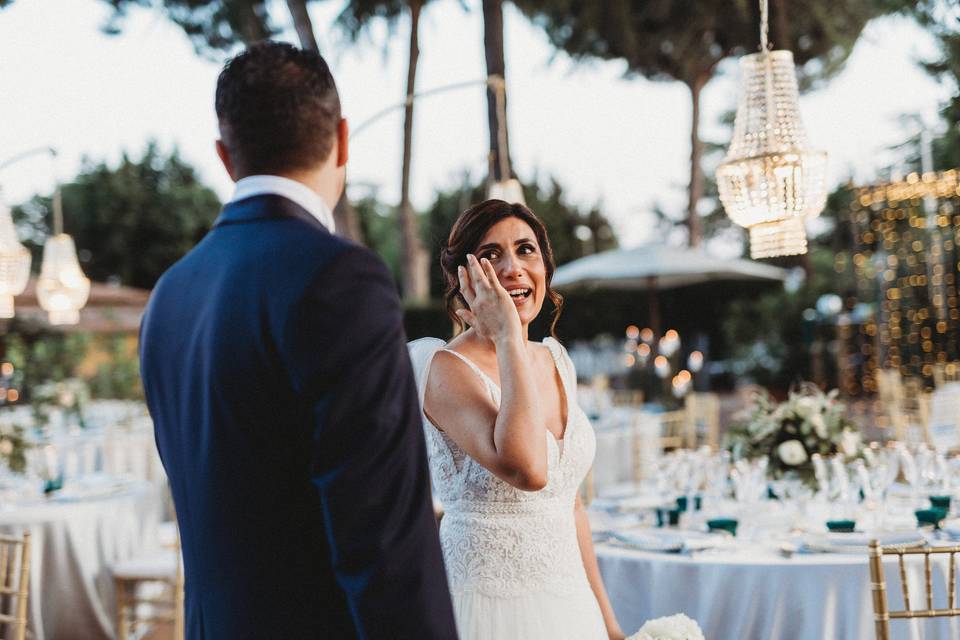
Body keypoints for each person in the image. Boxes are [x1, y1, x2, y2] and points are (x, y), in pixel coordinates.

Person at [139, 41, 457, 639]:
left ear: (224, 157)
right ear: (341, 139)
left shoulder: (170, 295)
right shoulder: (340, 278)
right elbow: (385, 537)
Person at [407, 199, 625, 640]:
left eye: (526, 250)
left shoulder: (556, 360)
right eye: (490, 256)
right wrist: (508, 336)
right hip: (486, 611)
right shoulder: (445, 369)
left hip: (570, 607)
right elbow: (528, 468)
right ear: (461, 278)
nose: (513, 268)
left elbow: (571, 504)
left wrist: (608, 623)